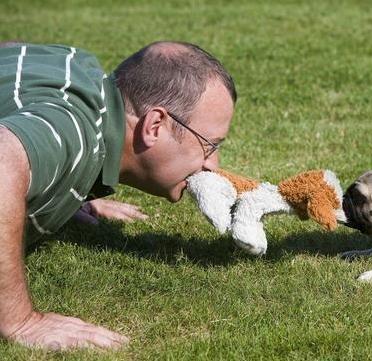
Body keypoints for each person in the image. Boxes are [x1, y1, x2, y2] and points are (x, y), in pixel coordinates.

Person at [0, 41, 236, 350]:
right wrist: (20, 320)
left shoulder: (80, 69)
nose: (212, 165)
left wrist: (65, 181)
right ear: (154, 125)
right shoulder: (76, 132)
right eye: (210, 144)